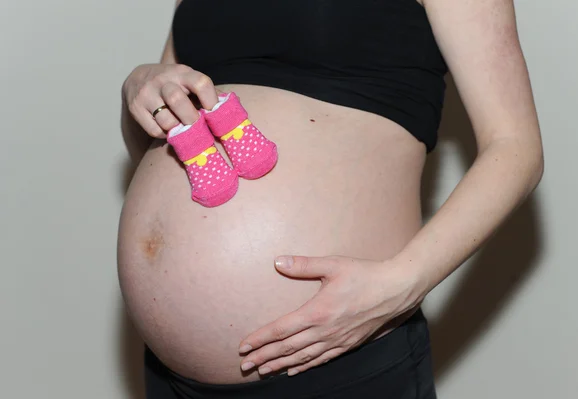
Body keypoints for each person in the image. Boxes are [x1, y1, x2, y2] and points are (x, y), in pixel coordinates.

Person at [117, 0, 544, 398]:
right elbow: (168, 143)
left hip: (334, 357)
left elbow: (515, 147)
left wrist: (401, 284)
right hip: (171, 375)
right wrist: (138, 89)